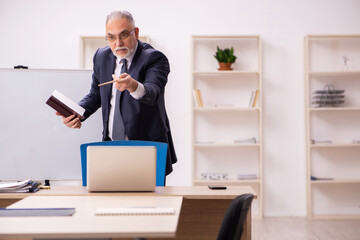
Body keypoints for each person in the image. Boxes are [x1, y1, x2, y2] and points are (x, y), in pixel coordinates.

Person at [57, 10, 177, 176]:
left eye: (124, 34)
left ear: (136, 32)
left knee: (149, 202)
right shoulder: (101, 56)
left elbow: (153, 93)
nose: (118, 43)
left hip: (148, 148)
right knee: (110, 200)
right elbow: (96, 94)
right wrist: (77, 113)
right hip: (110, 146)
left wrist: (132, 85)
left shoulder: (155, 58)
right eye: (111, 37)